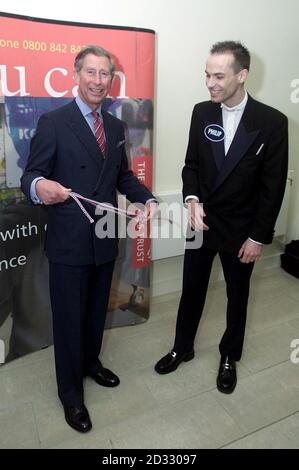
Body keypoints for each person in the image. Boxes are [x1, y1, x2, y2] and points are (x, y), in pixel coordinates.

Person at [21, 45, 156, 433]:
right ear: (76, 75)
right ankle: (70, 394)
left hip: (103, 237)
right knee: (68, 319)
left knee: (97, 311)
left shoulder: (115, 127)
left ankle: (91, 364)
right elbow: (31, 175)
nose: (98, 81)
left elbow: (122, 177)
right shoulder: (54, 121)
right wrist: (40, 186)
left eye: (105, 74)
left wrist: (144, 198)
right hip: (68, 241)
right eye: (91, 73)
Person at [155, 41, 288, 394]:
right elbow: (192, 166)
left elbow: (271, 188)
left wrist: (259, 237)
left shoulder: (273, 122)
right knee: (191, 291)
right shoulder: (202, 112)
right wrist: (192, 198)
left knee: (237, 295)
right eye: (207, 75)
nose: (210, 83)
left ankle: (229, 355)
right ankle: (181, 347)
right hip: (201, 223)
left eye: (218, 76)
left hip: (242, 230)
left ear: (241, 75)